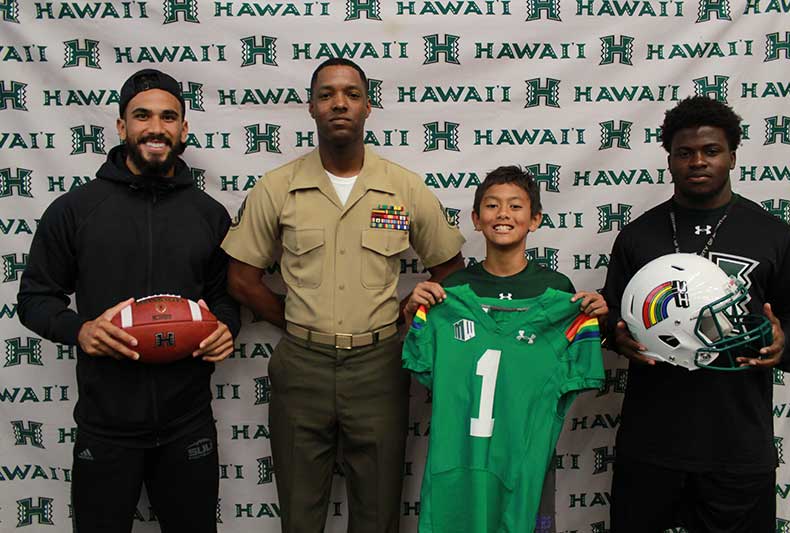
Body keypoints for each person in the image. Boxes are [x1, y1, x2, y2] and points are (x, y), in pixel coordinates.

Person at [221, 57, 465, 532]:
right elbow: (242, 279)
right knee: (299, 514)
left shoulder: (402, 188)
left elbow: (451, 271)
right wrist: (293, 322)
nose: (339, 103)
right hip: (302, 370)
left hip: (378, 369)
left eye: (352, 94)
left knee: (377, 515)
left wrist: (401, 317)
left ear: (368, 108)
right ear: (311, 107)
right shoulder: (279, 187)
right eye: (327, 94)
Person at [16, 68, 240, 533]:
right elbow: (36, 297)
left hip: (188, 424)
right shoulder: (75, 210)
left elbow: (225, 296)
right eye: (142, 116)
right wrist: (79, 329)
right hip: (106, 425)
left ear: (183, 129)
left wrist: (225, 327)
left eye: (168, 117)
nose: (155, 128)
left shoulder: (209, 214)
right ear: (121, 126)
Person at [602, 96, 790, 532]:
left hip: (738, 444)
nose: (698, 161)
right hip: (651, 441)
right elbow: (612, 313)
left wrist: (786, 342)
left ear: (732, 155)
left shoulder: (773, 235)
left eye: (711, 151)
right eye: (684, 152)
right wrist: (617, 336)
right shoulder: (639, 235)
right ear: (669, 159)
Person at [402, 165, 608, 532]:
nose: (503, 214)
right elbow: (421, 351)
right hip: (460, 459)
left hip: (523, 459)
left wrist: (594, 316)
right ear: (476, 219)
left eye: (515, 206)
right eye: (493, 205)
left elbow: (576, 355)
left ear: (535, 219)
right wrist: (413, 309)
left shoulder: (559, 292)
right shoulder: (451, 292)